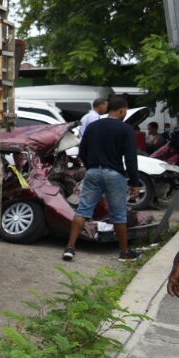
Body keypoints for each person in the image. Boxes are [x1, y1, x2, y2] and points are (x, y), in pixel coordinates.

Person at [62, 95, 142, 263]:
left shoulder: (93, 127)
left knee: (83, 210)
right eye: (125, 111)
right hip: (114, 175)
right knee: (119, 215)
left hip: (93, 173)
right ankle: (125, 253)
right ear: (121, 110)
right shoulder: (126, 129)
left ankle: (70, 248)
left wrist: (90, 166)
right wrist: (134, 183)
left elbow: (82, 150)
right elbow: (130, 158)